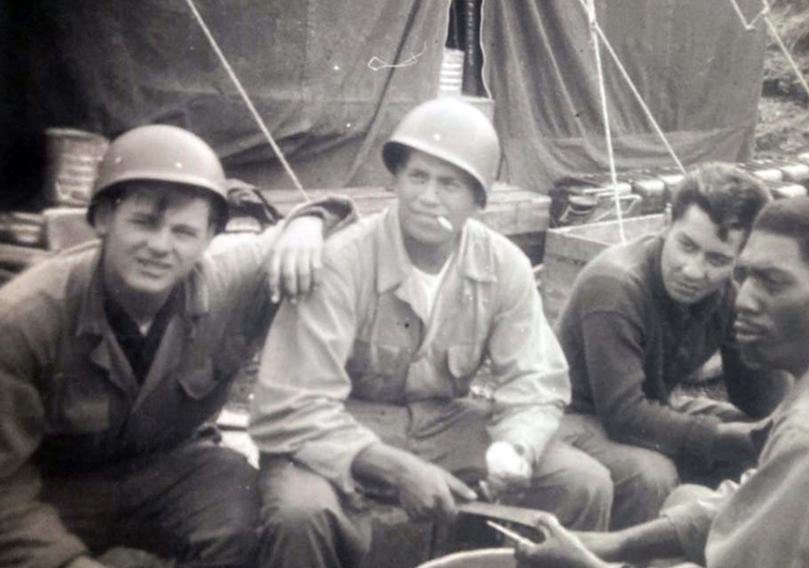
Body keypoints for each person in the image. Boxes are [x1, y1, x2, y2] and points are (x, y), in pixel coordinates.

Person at [249, 97, 614, 568]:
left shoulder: (504, 265)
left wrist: (516, 445)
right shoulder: (342, 261)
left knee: (582, 483)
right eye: (417, 176)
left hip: (444, 422)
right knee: (300, 513)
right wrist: (397, 468)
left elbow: (535, 378)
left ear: (478, 200)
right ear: (396, 181)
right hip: (340, 423)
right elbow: (294, 404)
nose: (428, 197)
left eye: (450, 184)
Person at [0, 124, 354, 568]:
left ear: (209, 239)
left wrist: (308, 222)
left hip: (170, 471)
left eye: (184, 232)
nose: (160, 246)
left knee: (246, 504)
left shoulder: (226, 282)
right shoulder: (25, 318)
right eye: (144, 222)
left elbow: (351, 229)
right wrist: (66, 563)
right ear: (104, 219)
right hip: (55, 489)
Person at [516, 197, 809, 567]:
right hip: (580, 419)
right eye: (746, 277)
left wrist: (594, 564)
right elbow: (752, 498)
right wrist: (613, 544)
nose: (743, 300)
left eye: (772, 283)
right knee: (685, 496)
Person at [554, 163, 791, 528]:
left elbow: (759, 402)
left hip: (652, 404)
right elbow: (624, 416)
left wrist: (756, 318)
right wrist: (730, 438)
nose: (695, 271)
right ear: (667, 221)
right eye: (687, 246)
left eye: (717, 259)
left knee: (775, 444)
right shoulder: (616, 285)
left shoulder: (726, 294)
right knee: (652, 474)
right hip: (567, 416)